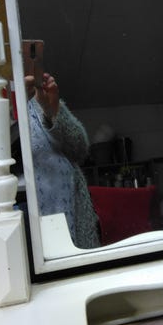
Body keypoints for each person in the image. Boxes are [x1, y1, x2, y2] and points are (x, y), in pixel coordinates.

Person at [25, 72, 100, 249]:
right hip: (32, 227)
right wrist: (17, 105)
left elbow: (80, 150)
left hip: (74, 221)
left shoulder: (39, 100)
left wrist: (52, 110)